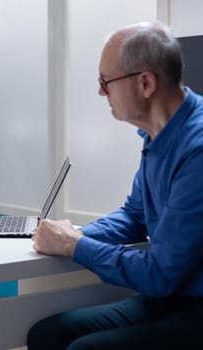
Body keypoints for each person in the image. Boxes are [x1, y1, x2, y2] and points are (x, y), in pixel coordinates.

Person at [27, 21, 203, 349]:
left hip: (193, 307)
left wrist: (74, 246)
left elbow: (160, 273)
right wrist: (77, 234)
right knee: (47, 334)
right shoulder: (158, 136)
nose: (100, 92)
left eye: (105, 82)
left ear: (145, 83)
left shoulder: (197, 149)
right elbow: (134, 216)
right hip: (169, 298)